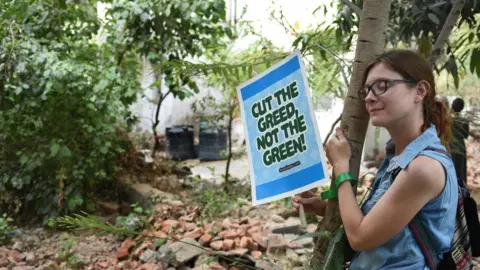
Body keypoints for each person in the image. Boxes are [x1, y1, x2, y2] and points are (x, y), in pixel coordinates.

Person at [293, 49, 458, 269]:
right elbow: (379, 221)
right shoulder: (398, 155)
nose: (370, 97)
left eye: (382, 86)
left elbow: (360, 237)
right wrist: (324, 207)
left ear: (419, 91)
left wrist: (341, 166)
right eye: (367, 90)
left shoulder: (423, 167)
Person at [450, 97, 469, 184]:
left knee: (451, 170)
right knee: (461, 171)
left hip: (450, 148)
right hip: (461, 148)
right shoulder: (465, 121)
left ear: (452, 106)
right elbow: (465, 135)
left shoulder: (448, 120)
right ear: (462, 108)